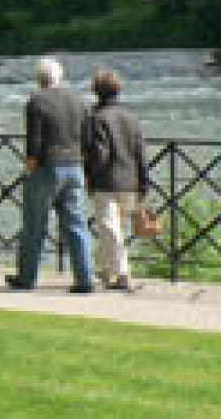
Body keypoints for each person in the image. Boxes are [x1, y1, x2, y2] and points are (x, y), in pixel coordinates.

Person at [7, 58, 95, 293]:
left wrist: (30, 166)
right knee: (77, 225)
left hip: (47, 167)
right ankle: (85, 279)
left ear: (39, 78)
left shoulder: (37, 101)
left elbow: (34, 141)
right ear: (61, 76)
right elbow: (88, 141)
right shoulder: (81, 101)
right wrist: (85, 167)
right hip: (75, 166)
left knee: (34, 224)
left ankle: (27, 278)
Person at [84, 69, 149, 292]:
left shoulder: (97, 118)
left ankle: (122, 274)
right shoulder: (131, 116)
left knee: (109, 228)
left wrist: (90, 176)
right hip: (130, 181)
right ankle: (104, 272)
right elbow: (141, 152)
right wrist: (144, 182)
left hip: (107, 182)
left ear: (96, 92)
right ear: (118, 90)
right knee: (113, 229)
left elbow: (100, 154)